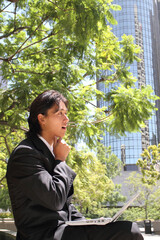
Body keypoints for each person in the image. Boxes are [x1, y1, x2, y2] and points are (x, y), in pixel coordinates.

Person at [6, 90, 144, 240]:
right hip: (43, 235)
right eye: (60, 113)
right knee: (129, 232)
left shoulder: (52, 153)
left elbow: (67, 207)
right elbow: (55, 199)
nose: (66, 119)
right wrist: (60, 161)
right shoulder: (26, 153)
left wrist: (93, 223)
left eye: (66, 113)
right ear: (42, 118)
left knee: (126, 228)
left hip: (63, 230)